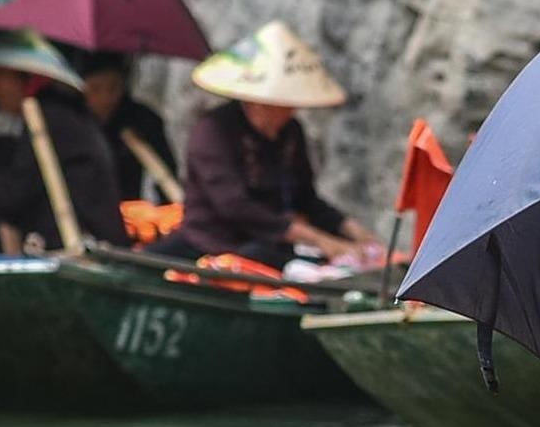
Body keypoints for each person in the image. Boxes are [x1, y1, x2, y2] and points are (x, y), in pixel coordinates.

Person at [148, 20, 382, 269]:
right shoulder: (213, 131)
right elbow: (236, 206)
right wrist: (319, 240)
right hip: (215, 246)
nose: (291, 110)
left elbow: (306, 198)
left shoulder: (291, 132)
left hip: (272, 245)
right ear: (257, 100)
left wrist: (355, 232)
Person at [0, 30, 127, 253]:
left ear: (22, 77)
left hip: (80, 244)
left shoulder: (50, 117)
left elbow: (11, 197)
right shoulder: (56, 111)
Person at [79, 51, 178, 202]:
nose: (106, 98)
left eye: (113, 88)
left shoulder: (141, 120)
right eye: (95, 89)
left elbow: (167, 176)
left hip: (128, 208)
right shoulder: (69, 122)